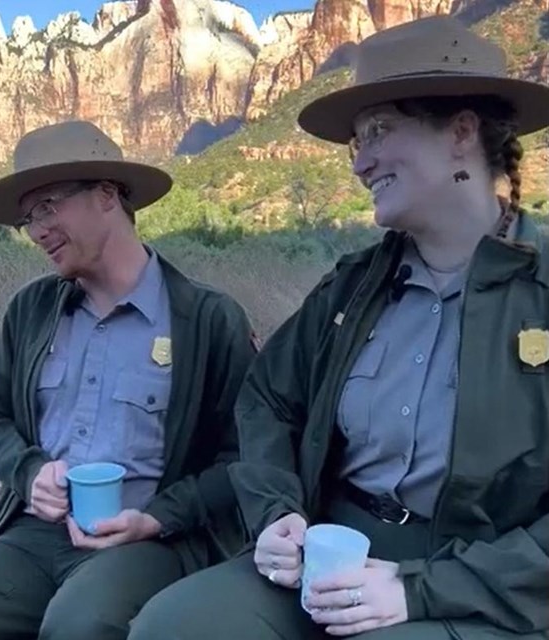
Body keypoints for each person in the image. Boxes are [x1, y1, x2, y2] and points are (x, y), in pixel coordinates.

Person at [127, 16, 549, 640]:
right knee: (172, 626)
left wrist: (421, 590)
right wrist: (277, 512)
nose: (360, 164)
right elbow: (268, 398)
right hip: (329, 551)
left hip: (480, 582)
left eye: (379, 131)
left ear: (462, 131)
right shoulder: (351, 288)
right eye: (357, 143)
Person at [0, 120, 256, 639]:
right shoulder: (32, 309)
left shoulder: (207, 318)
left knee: (78, 626)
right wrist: (29, 472)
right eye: (29, 218)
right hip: (33, 536)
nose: (37, 230)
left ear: (106, 194)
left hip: (150, 541)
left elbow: (246, 456)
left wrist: (159, 516)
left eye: (48, 206)